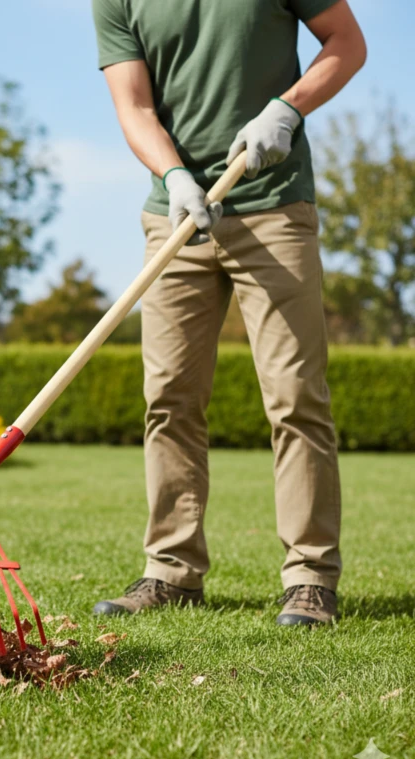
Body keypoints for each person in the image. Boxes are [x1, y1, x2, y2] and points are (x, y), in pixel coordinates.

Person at [90, 0, 366, 625]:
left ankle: (311, 576)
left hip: (272, 206)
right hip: (176, 217)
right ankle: (171, 571)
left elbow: (346, 41)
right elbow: (133, 106)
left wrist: (288, 108)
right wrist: (175, 176)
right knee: (169, 396)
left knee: (296, 395)